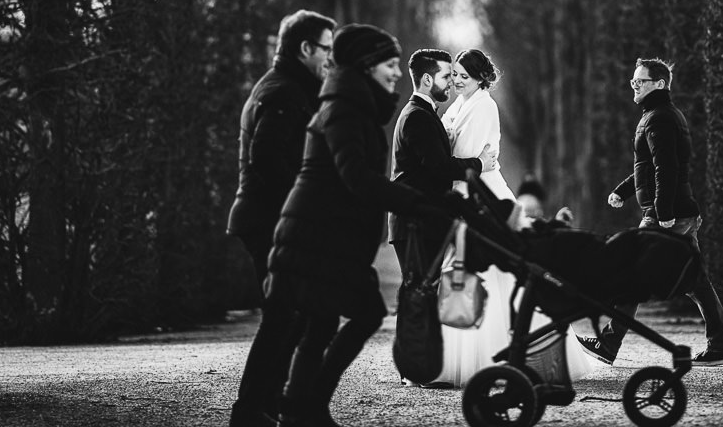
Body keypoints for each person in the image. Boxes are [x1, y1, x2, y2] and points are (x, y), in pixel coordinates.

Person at [232, 24, 440, 427]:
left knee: (321, 320)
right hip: (312, 234)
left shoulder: (350, 103)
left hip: (318, 234)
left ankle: (298, 407)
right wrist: (416, 203)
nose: (397, 72)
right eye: (390, 64)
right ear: (366, 66)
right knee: (358, 313)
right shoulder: (342, 106)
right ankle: (295, 406)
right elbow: (355, 176)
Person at [431, 49, 592, 388]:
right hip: (470, 187)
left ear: (479, 77)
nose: (457, 80)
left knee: (494, 270)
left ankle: (503, 352)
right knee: (472, 270)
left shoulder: (484, 105)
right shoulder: (459, 105)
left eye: (463, 74)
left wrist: (443, 151)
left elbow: (465, 156)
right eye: (455, 74)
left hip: (483, 195)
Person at [576, 57, 723, 367]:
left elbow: (666, 168)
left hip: (667, 214)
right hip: (681, 212)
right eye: (633, 82)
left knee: (630, 275)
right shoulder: (660, 115)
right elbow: (649, 167)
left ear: (660, 84)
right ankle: (721, 347)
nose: (633, 86)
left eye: (641, 82)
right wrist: (623, 190)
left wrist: (662, 211)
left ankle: (608, 344)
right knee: (697, 282)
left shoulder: (658, 118)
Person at [227, 9, 336, 286]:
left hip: (268, 215)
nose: (331, 58)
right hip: (270, 218)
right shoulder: (285, 92)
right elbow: (265, 157)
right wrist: (303, 204)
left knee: (289, 315)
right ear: (305, 48)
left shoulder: (283, 85)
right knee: (290, 315)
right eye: (327, 49)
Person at [389, 49, 494, 303]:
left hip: (418, 222)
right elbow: (440, 167)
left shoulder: (422, 113)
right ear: (427, 80)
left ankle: (413, 343)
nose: (452, 82)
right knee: (418, 292)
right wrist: (479, 163)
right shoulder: (418, 117)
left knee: (420, 291)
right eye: (447, 76)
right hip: (415, 223)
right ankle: (410, 343)